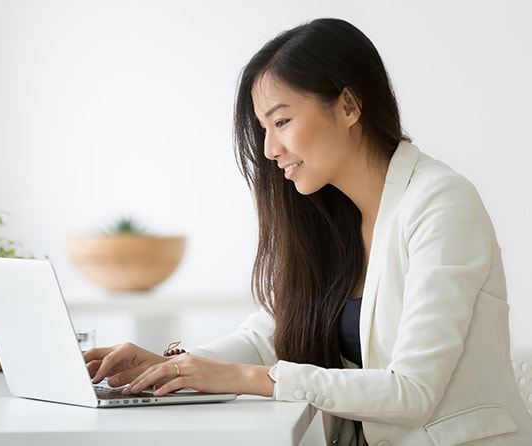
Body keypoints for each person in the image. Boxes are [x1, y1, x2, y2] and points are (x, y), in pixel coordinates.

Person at [84, 18, 532, 445]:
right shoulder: (331, 218)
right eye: (263, 128)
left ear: (350, 105)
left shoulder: (442, 203)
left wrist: (242, 379)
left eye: (281, 122)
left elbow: (413, 390)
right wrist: (169, 367)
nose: (269, 149)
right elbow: (269, 337)